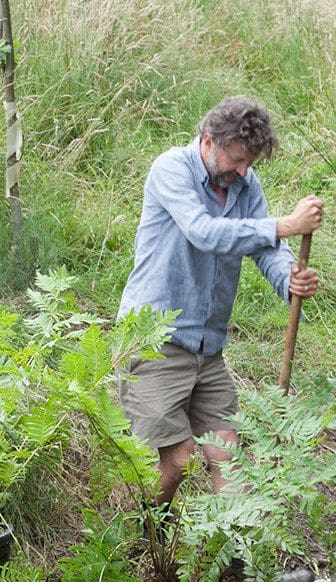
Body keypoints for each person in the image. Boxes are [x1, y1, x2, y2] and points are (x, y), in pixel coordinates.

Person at [118, 96, 323, 508]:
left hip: (208, 349)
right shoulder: (171, 169)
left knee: (228, 455)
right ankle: (135, 544)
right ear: (208, 142)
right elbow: (204, 233)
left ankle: (240, 561)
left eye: (250, 163)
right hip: (154, 343)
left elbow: (267, 249)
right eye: (236, 159)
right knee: (177, 461)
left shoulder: (245, 185)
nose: (243, 171)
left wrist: (289, 279)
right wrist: (283, 225)